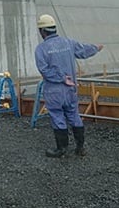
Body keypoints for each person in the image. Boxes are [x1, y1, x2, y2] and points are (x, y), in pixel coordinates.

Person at [34, 14, 103, 158]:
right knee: (74, 114)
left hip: (54, 91)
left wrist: (61, 78)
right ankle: (80, 147)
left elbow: (45, 71)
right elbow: (83, 50)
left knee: (57, 116)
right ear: (54, 28)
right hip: (71, 89)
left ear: (42, 31)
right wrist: (96, 48)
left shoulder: (41, 49)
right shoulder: (68, 43)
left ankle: (61, 149)